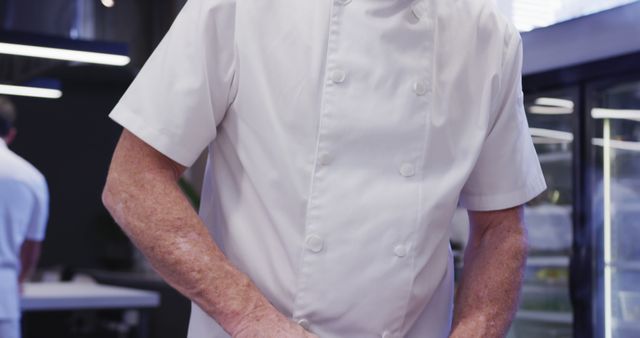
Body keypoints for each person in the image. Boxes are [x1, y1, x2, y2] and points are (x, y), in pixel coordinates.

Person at [102, 0, 546, 337]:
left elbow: (500, 231)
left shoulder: (489, 38)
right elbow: (134, 182)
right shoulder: (239, 9)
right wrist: (255, 320)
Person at [0, 96, 49, 338]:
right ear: (10, 134)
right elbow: (31, 247)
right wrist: (18, 279)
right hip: (3, 297)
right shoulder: (31, 178)